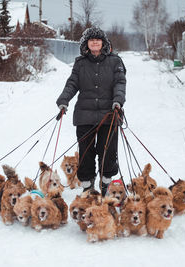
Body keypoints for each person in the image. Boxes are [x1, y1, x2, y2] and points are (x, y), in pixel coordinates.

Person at [56, 26, 126, 196]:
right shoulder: (80, 63)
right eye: (91, 39)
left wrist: (118, 101)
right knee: (86, 153)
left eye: (98, 39)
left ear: (103, 42)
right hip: (84, 116)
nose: (95, 42)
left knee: (108, 151)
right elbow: (72, 83)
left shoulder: (115, 61)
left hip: (109, 115)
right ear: (86, 43)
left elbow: (120, 83)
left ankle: (105, 183)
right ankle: (88, 186)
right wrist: (63, 101)